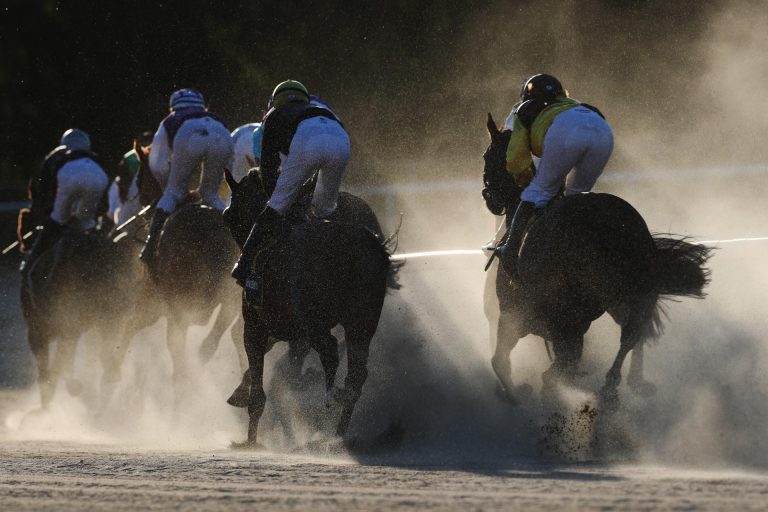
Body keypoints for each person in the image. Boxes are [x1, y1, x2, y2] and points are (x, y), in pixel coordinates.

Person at [230, 80, 350, 289]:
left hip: (308, 141)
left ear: (276, 101)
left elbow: (267, 167)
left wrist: (275, 201)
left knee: (276, 206)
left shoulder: (274, 115)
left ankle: (243, 265)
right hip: (341, 140)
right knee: (325, 210)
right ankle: (345, 258)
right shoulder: (321, 109)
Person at [498, 74, 614, 281]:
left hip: (567, 130)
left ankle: (509, 250)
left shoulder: (524, 110)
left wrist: (525, 181)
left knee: (536, 193)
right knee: (577, 197)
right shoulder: (573, 103)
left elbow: (515, 159)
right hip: (602, 129)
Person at [140, 88, 233, 265]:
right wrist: (208, 188)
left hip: (187, 134)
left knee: (172, 193)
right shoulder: (216, 120)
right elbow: (229, 164)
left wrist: (174, 189)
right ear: (202, 106)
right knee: (211, 195)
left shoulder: (171, 120)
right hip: (221, 137)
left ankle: (150, 247)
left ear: (173, 107)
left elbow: (157, 165)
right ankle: (237, 244)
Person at [20, 128, 109, 274]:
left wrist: (44, 217)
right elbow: (103, 203)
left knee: (57, 222)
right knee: (86, 224)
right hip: (99, 176)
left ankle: (29, 267)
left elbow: (41, 190)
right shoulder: (93, 158)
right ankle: (106, 267)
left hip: (69, 176)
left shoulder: (56, 155)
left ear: (64, 143)